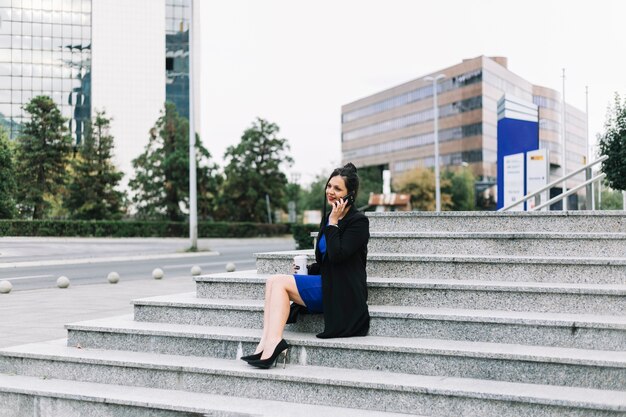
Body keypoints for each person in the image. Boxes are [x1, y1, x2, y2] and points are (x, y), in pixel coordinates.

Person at [242, 163, 370, 369]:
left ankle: (273, 344)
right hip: (329, 282)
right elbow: (325, 260)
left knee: (280, 283)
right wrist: (306, 271)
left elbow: (338, 256)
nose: (330, 192)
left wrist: (334, 223)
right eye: (329, 186)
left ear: (350, 195)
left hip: (344, 292)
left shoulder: (358, 222)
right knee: (273, 281)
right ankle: (265, 343)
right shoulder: (328, 218)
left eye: (338, 189)